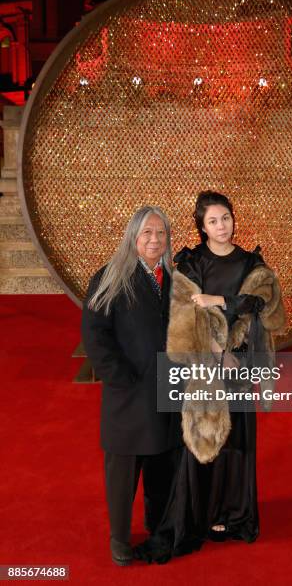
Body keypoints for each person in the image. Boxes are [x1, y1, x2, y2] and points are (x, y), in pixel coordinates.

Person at [134, 190, 286, 563]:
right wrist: (217, 354)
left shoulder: (252, 262)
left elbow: (260, 305)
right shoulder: (191, 261)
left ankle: (232, 515)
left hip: (241, 363)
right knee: (202, 439)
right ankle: (200, 515)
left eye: (226, 218)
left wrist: (218, 302)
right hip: (206, 367)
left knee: (237, 441)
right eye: (213, 221)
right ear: (201, 227)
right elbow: (185, 313)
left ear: (235, 219)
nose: (222, 226)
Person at [81, 206, 183, 566]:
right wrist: (120, 378)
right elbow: (95, 336)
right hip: (128, 395)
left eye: (161, 233)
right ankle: (120, 540)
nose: (155, 240)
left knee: (163, 468)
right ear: (133, 237)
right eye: (147, 234)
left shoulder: (173, 279)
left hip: (167, 391)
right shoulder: (110, 277)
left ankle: (158, 531)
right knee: (123, 475)